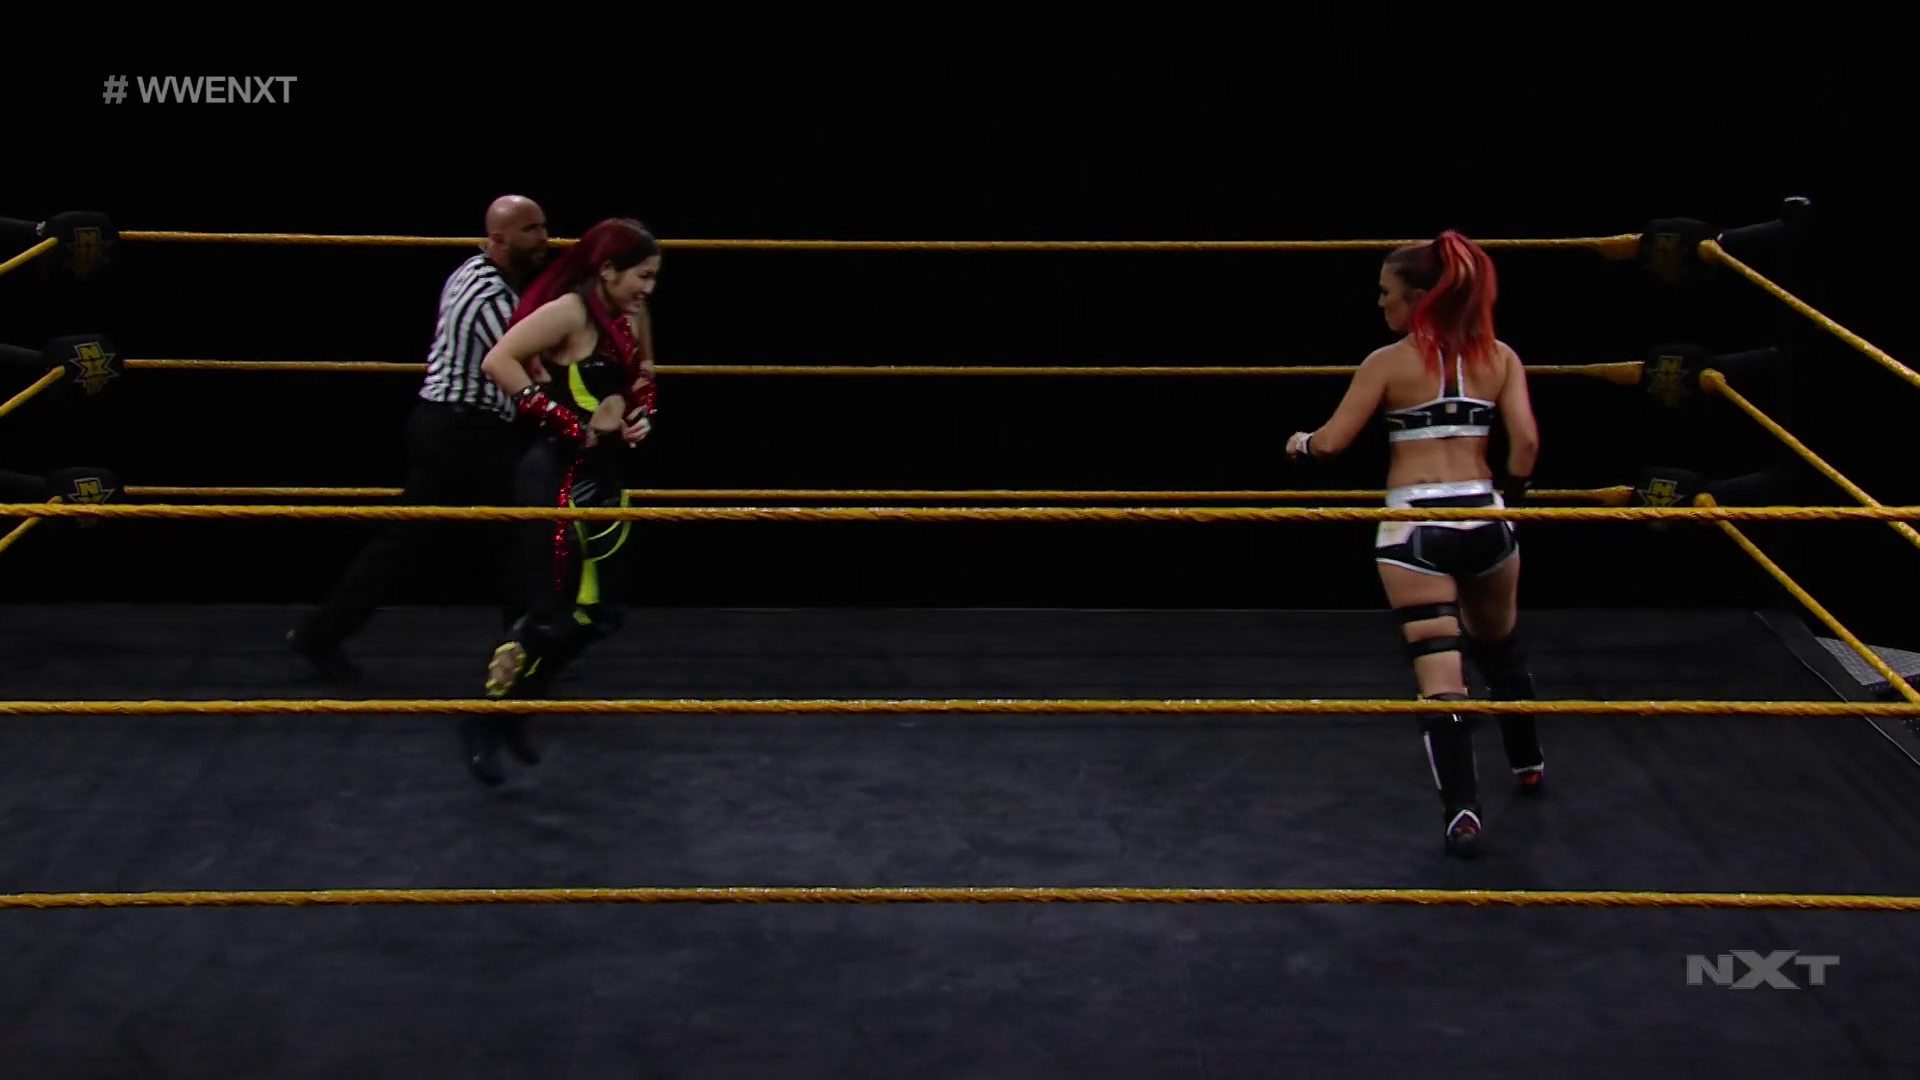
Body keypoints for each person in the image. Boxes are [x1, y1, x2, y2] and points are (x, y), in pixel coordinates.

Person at [1285, 230, 1544, 858]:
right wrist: (1510, 498)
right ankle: (1528, 761)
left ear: (1419, 299)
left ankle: (1463, 812)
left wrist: (1300, 445)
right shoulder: (1500, 357)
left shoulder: (1387, 362)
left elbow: (1333, 443)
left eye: (1387, 293)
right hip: (1485, 518)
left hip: (1414, 530)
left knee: (1440, 676)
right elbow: (1527, 444)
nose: (1380, 303)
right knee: (1500, 646)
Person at [288, 195, 550, 679]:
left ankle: (319, 634)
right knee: (514, 536)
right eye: (530, 230)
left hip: (451, 427)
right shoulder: (490, 297)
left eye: (543, 227)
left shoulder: (474, 272)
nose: (543, 239)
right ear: (499, 239)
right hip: (463, 431)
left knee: (418, 543)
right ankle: (527, 649)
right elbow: (533, 365)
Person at [463, 216, 659, 784]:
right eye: (642, 276)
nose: (648, 288)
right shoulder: (570, 312)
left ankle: (519, 709)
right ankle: (485, 720)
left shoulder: (632, 313)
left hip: (604, 475)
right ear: (608, 269)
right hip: (555, 475)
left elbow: (643, 373)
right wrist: (569, 425)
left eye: (654, 277)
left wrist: (642, 415)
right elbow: (498, 361)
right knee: (548, 614)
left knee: (601, 614)